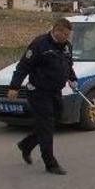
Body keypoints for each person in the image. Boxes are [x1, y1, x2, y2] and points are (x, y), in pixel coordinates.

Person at [10, 18, 78, 175]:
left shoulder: (67, 46)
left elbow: (67, 65)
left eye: (69, 35)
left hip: (55, 91)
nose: (67, 38)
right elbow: (23, 66)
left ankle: (27, 144)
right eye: (65, 34)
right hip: (38, 91)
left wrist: (72, 78)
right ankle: (50, 163)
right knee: (46, 125)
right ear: (56, 31)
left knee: (53, 122)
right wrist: (14, 86)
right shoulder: (40, 44)